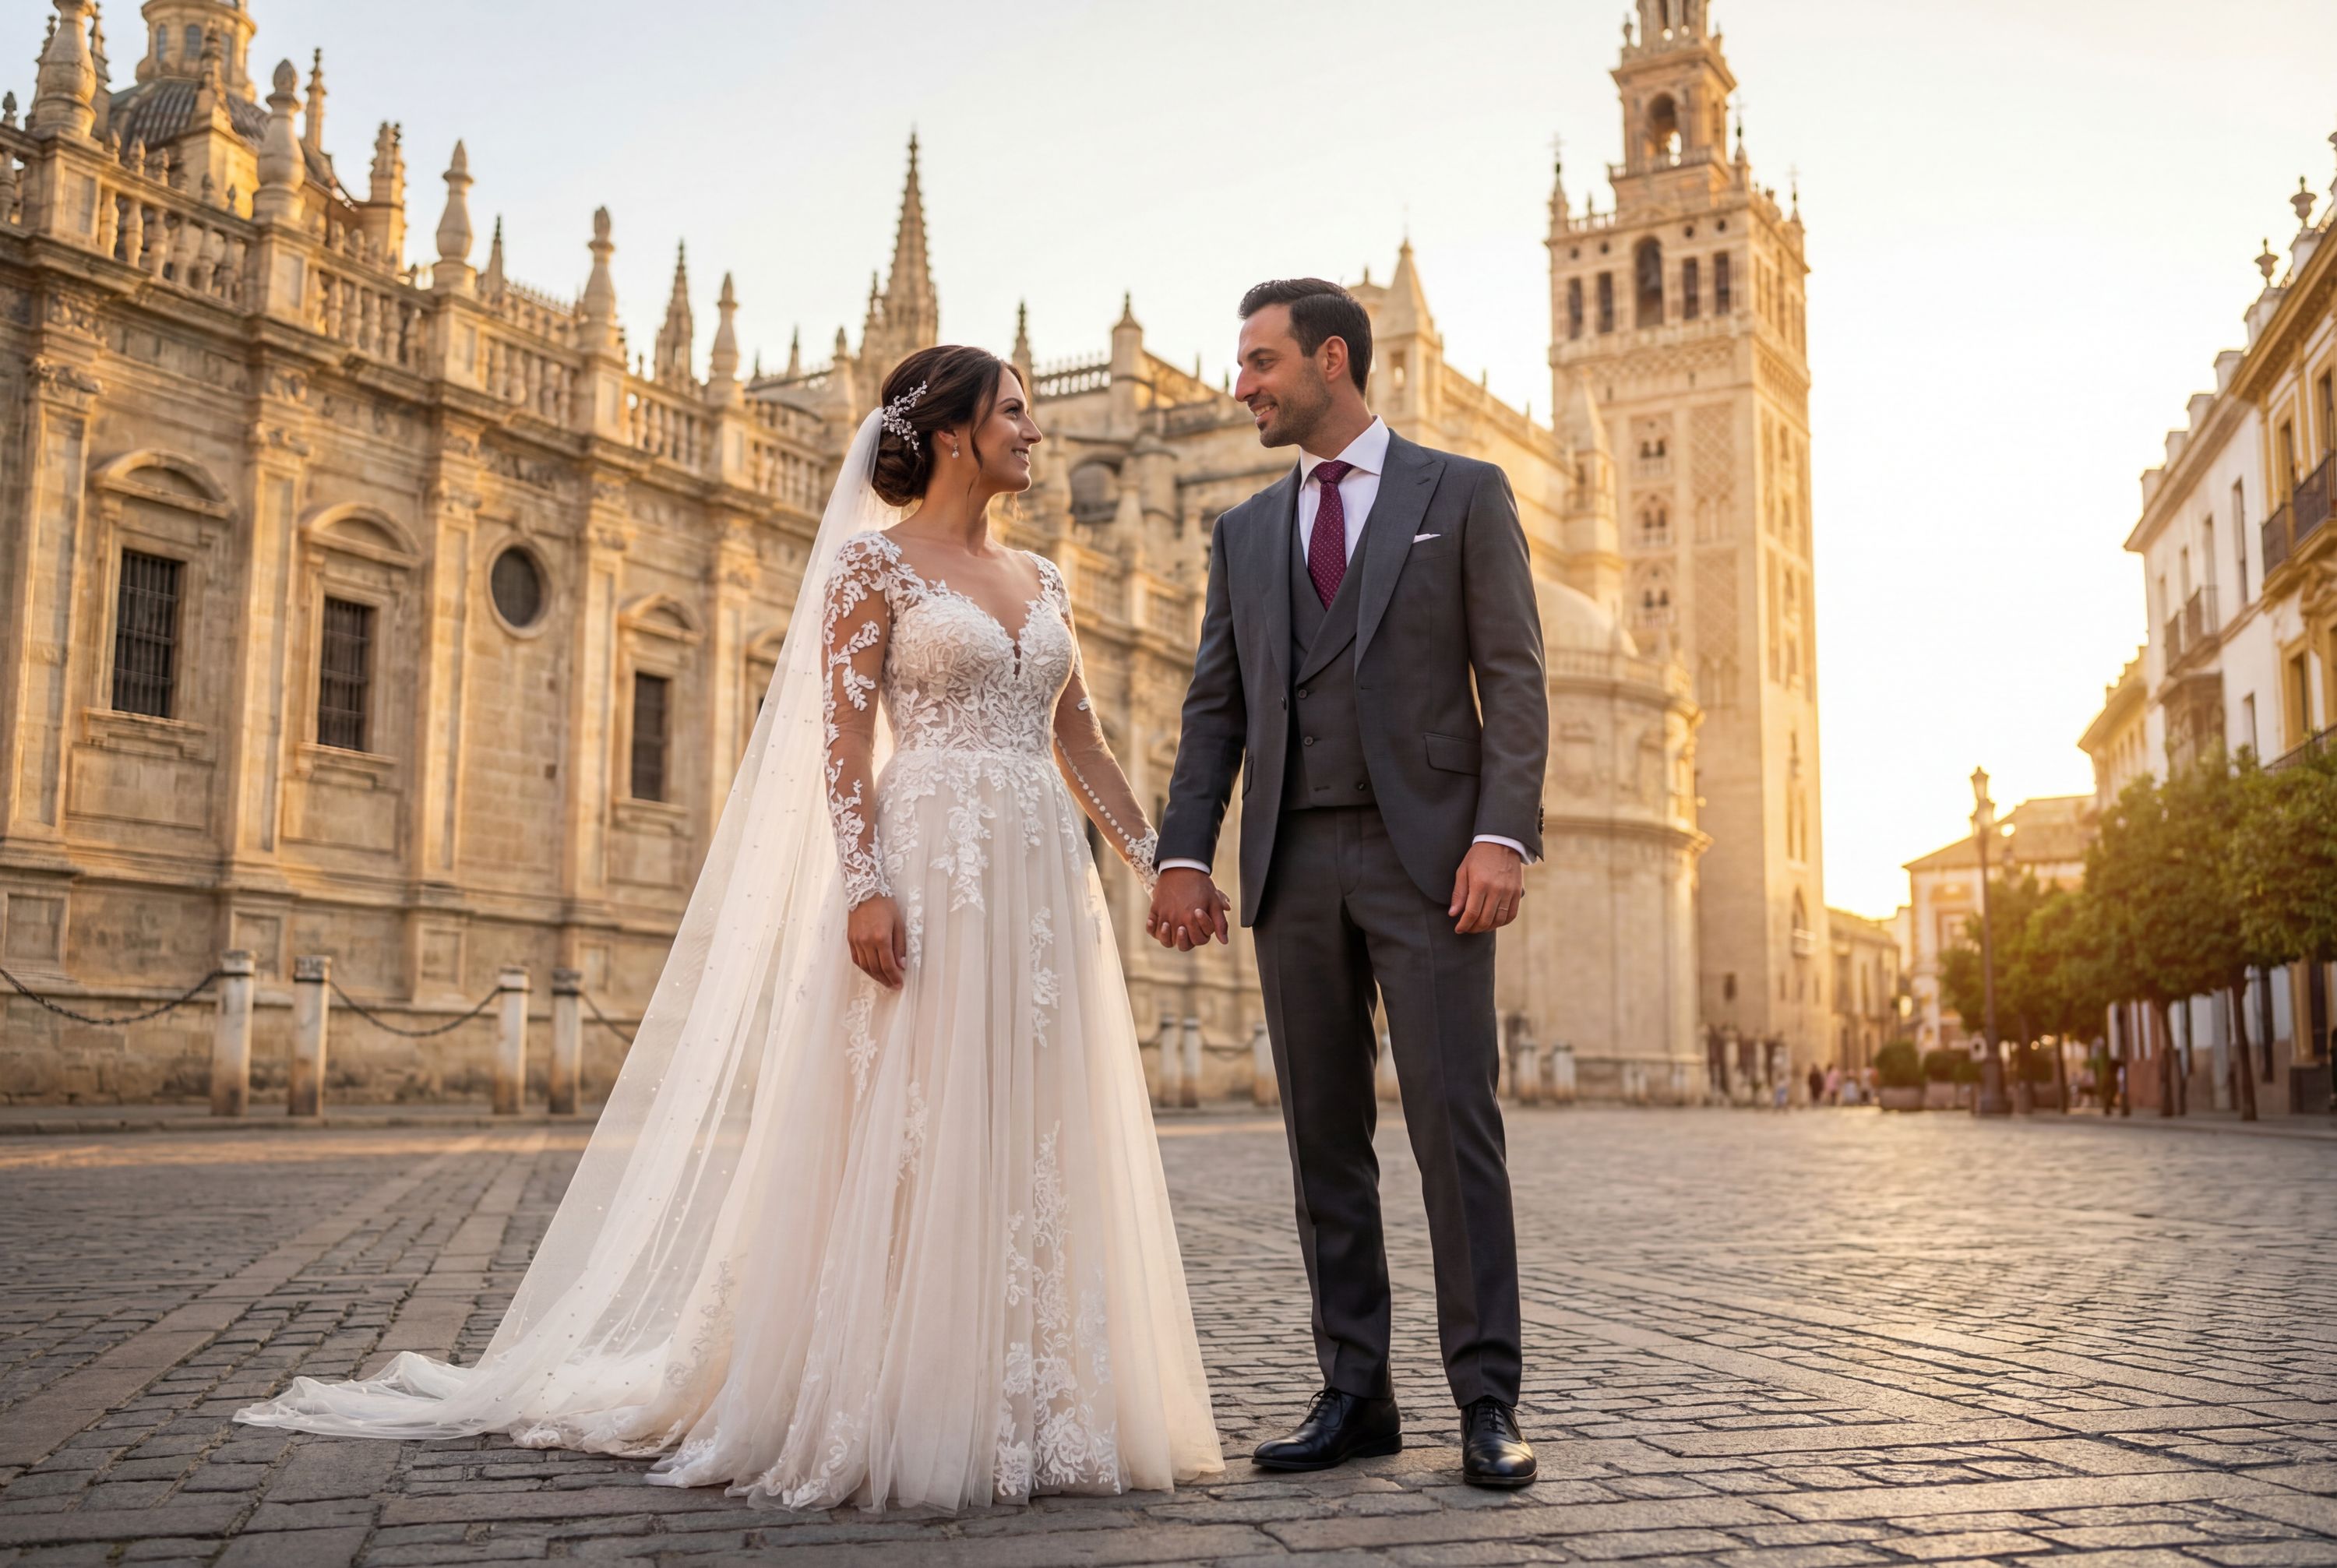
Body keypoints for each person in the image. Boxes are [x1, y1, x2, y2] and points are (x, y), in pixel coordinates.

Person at [236, 346, 1224, 1511]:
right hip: (928, 863)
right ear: (955, 431)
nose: (1035, 431)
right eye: (1014, 413)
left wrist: (1160, 860)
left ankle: (1028, 1391)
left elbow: (1084, 743)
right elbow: (845, 744)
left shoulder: (1048, 579)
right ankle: (904, 1389)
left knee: (1028, 1121)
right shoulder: (872, 567)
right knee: (916, 1123)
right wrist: (864, 880)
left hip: (1040, 890)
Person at [1147, 279, 1547, 1489]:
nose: (1242, 386)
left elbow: (1515, 681)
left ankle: (1486, 1399)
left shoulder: (1462, 492)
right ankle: (1354, 1393)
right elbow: (1214, 707)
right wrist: (1182, 852)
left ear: (1333, 359)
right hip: (1294, 862)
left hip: (1429, 861)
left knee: (1451, 1126)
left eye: (1262, 362)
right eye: (1240, 365)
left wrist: (1501, 836)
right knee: (1325, 1139)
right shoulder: (1243, 533)